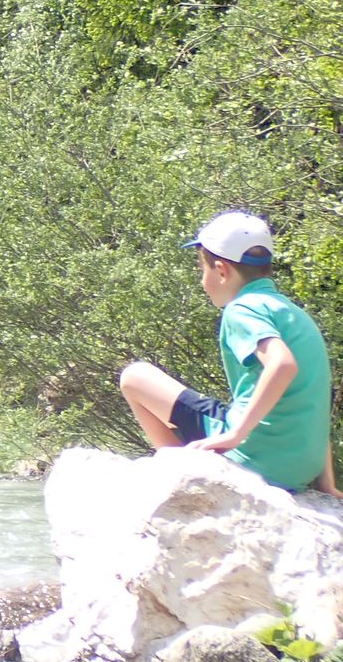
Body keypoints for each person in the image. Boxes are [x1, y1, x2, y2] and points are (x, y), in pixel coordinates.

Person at [119, 210, 338, 494]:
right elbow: (313, 397)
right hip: (299, 470)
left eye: (202, 270)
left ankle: (180, 482)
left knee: (135, 377)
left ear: (221, 270)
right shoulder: (296, 315)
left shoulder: (242, 309)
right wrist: (327, 484)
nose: (202, 281)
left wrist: (236, 435)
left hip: (256, 459)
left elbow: (283, 365)